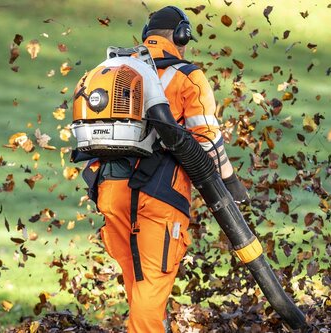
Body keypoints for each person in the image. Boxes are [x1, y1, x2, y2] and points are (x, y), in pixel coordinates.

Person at [82, 6, 249, 332]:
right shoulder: (187, 75)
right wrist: (231, 183)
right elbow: (207, 143)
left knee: (139, 284)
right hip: (158, 197)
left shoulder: (113, 71)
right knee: (152, 284)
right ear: (180, 35)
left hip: (109, 190)